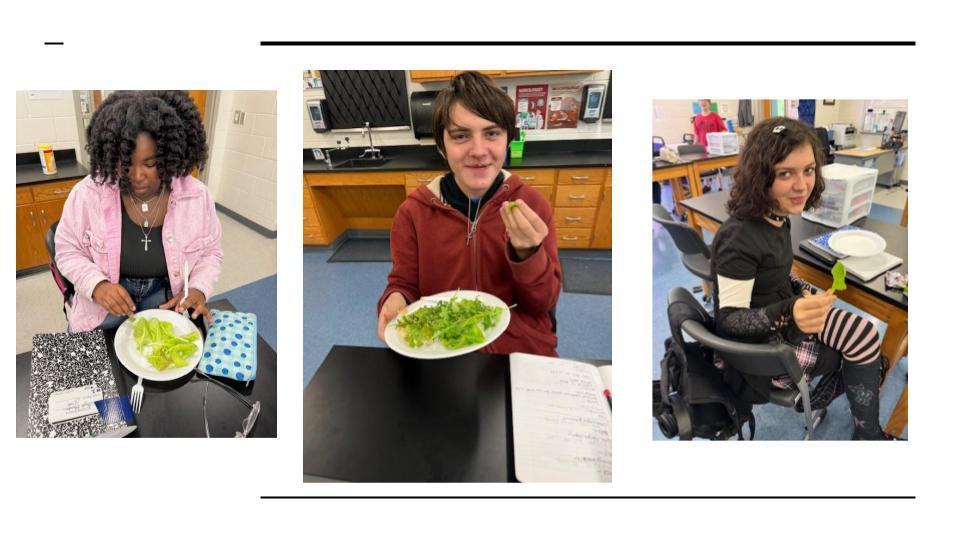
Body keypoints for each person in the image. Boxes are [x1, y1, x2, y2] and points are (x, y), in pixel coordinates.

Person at [710, 116, 894, 440]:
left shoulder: (777, 215)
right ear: (760, 175)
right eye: (785, 174)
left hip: (785, 315)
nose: (802, 185)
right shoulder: (738, 238)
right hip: (764, 350)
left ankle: (863, 422)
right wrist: (789, 312)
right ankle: (866, 432)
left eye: (808, 170)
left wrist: (802, 289)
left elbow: (773, 276)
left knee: (865, 338)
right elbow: (728, 321)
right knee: (865, 353)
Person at [377, 71, 561, 356]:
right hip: (442, 349)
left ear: (507, 139)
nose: (478, 151)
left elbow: (542, 304)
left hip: (518, 351)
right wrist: (394, 299)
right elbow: (403, 284)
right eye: (461, 136)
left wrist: (528, 254)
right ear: (441, 145)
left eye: (492, 133)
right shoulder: (412, 213)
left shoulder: (530, 205)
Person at [55, 90, 222, 332]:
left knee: (174, 365)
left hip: (165, 299)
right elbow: (66, 249)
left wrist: (198, 288)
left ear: (170, 156)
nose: (137, 176)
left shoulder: (197, 196)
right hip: (102, 306)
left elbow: (212, 252)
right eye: (125, 163)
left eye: (151, 163)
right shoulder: (88, 193)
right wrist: (97, 285)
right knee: (72, 369)